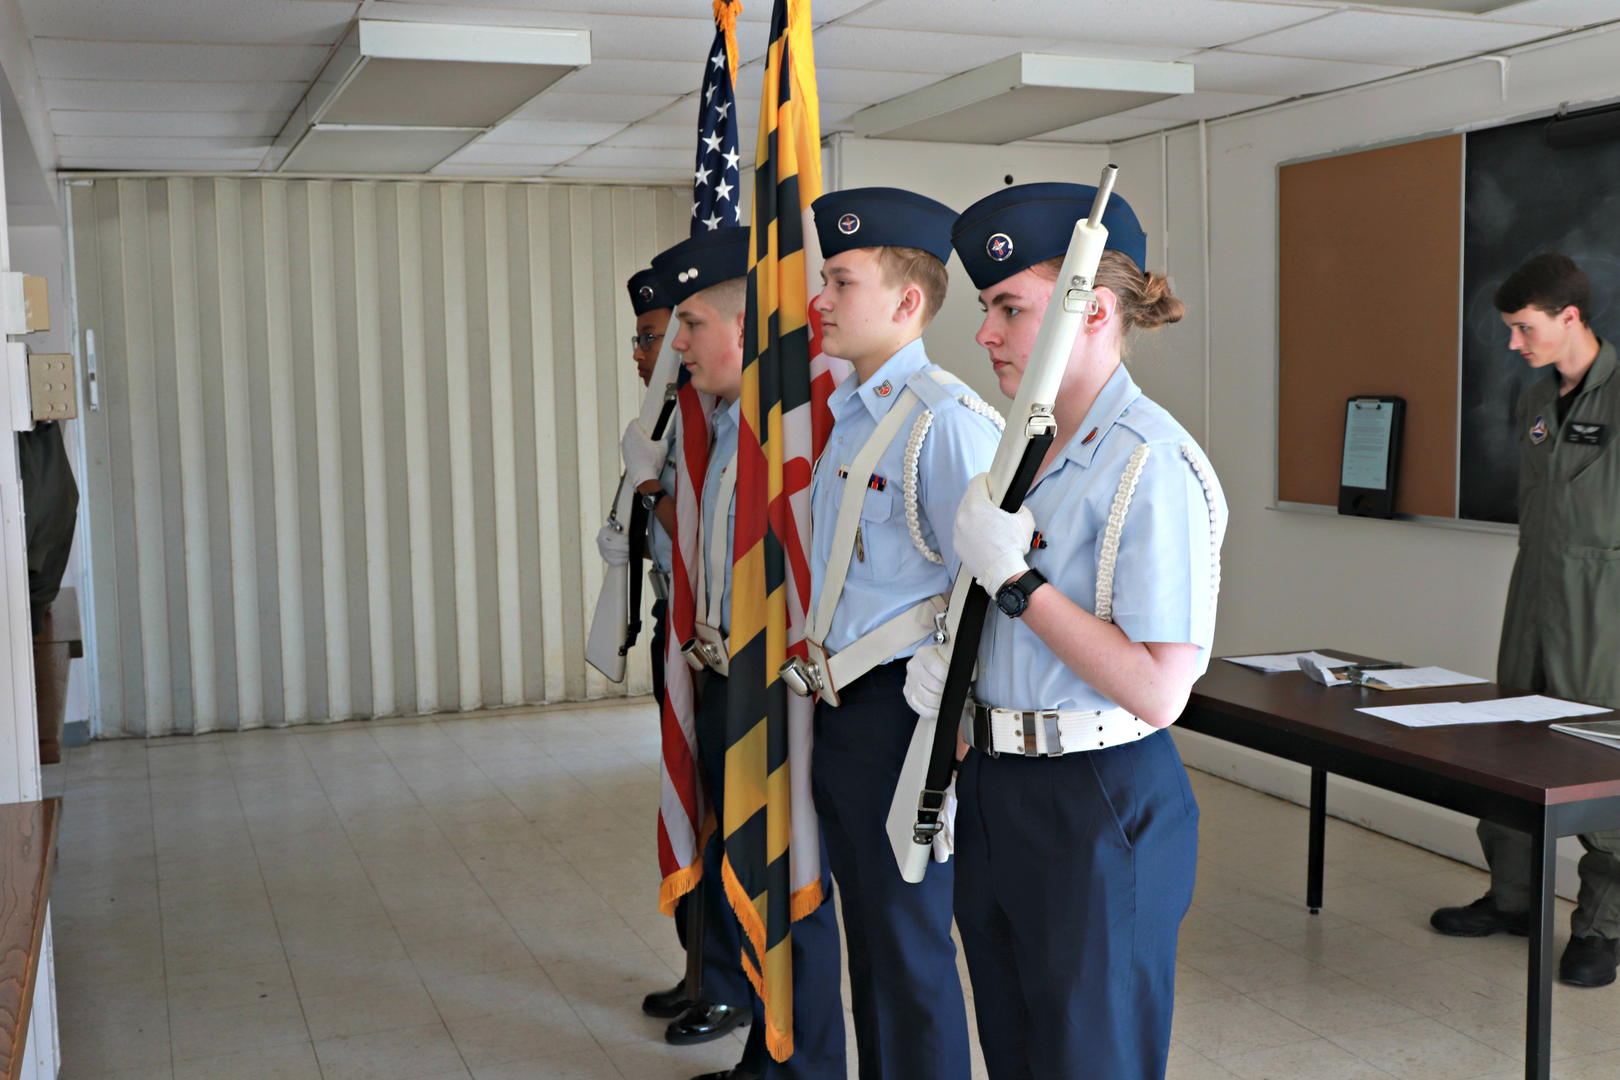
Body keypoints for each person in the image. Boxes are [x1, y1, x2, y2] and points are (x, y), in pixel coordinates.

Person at [903, 183, 1226, 1080]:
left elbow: (1160, 690)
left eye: (1011, 307)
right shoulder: (1029, 447)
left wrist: (1018, 582)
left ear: (1095, 310)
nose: (986, 333)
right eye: (987, 308)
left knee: (1092, 1059)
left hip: (1098, 797)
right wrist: (954, 669)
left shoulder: (1150, 461)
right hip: (1005, 787)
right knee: (1018, 1052)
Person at [801, 187, 997, 1080]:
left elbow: (991, 582)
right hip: (843, 711)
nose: (822, 300)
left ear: (907, 302)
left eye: (841, 281)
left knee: (912, 954)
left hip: (903, 718)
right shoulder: (853, 415)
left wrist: (953, 712)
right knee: (872, 944)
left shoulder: (943, 421)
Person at [650, 226, 848, 1080]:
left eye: (690, 325)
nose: (675, 347)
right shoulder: (722, 425)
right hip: (726, 675)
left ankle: (799, 1067)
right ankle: (767, 1062)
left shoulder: (799, 426)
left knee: (788, 879)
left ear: (745, 325)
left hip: (784, 691)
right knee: (745, 870)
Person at [1430, 253, 1620, 988]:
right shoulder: (1535, 402)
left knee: (1602, 764)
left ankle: (1601, 929)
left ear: (1569, 318)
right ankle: (1512, 900)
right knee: (1506, 752)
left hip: (1603, 612)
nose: (1514, 344)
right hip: (1531, 600)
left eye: (1523, 328)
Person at [608, 265, 751, 1039]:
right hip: (686, 634)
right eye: (649, 340)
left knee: (728, 823)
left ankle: (729, 981)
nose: (652, 355)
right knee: (696, 809)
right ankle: (702, 968)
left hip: (730, 645)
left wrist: (655, 496)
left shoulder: (725, 419)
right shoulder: (676, 416)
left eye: (661, 338)